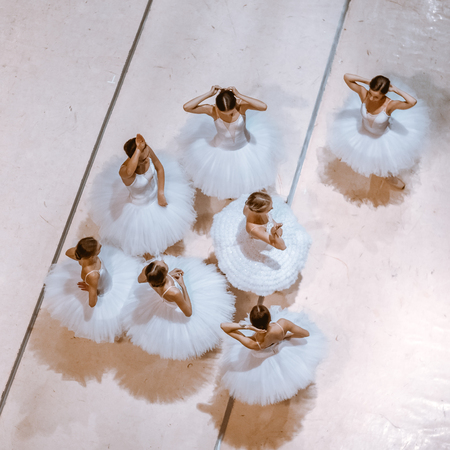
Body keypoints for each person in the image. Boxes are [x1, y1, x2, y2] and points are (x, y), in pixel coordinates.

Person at [89, 134, 196, 256]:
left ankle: (163, 242)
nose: (147, 155)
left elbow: (160, 168)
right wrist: (138, 150)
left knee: (164, 226)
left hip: (155, 194)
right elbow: (129, 170)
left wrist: (161, 193)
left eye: (146, 150)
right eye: (142, 156)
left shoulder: (146, 152)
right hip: (140, 205)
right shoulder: (125, 173)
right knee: (148, 234)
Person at [121, 255, 236, 360]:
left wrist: (169, 275)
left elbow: (140, 280)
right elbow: (188, 312)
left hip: (163, 290)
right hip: (174, 301)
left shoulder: (147, 272)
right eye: (160, 263)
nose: (161, 259)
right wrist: (182, 285)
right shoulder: (174, 292)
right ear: (164, 275)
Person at [329, 73, 430, 190]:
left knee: (385, 161)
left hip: (382, 138)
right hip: (363, 133)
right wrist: (368, 82)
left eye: (376, 97)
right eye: (371, 93)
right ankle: (380, 171)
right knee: (368, 158)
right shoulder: (364, 93)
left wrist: (396, 90)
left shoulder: (390, 105)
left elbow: (412, 102)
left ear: (384, 95)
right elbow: (347, 77)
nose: (371, 98)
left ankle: (389, 177)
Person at [180, 86, 283, 199]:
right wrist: (208, 94)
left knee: (244, 173)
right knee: (226, 177)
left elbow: (263, 107)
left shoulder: (240, 107)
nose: (228, 115)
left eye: (231, 112)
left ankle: (245, 189)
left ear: (235, 105)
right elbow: (187, 107)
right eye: (223, 112)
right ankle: (231, 192)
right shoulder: (212, 110)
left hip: (245, 146)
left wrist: (239, 95)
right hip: (221, 148)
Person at [220, 305, 326, 405]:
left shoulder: (253, 343)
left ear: (253, 324)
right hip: (279, 347)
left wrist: (248, 327)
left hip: (262, 354)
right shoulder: (282, 324)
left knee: (271, 382)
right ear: (270, 317)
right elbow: (305, 333)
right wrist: (285, 336)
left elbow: (224, 326)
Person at [210, 191, 311, 296]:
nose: (272, 209)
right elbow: (281, 246)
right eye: (269, 209)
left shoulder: (248, 207)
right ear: (260, 211)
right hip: (261, 243)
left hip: (261, 233)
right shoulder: (255, 229)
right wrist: (275, 234)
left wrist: (274, 226)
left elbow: (270, 219)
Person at [44, 237, 139, 343]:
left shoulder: (79, 256)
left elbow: (68, 252)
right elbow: (92, 303)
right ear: (92, 255)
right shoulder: (93, 275)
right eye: (99, 248)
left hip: (98, 277)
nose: (101, 246)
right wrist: (91, 289)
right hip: (104, 289)